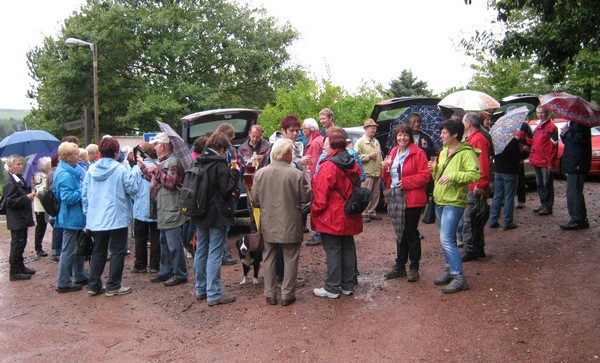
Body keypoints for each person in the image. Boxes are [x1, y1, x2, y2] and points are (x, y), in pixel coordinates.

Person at [252, 138, 312, 306]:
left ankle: (270, 294)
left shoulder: (260, 173)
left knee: (269, 258)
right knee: (290, 258)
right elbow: (306, 197)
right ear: (286, 154)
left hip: (268, 223)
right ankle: (287, 294)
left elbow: (255, 200)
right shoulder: (296, 174)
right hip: (290, 222)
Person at [311, 127, 363, 299]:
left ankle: (332, 287)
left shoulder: (329, 165)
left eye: (326, 144)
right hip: (349, 211)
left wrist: (315, 212)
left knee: (333, 249)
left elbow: (320, 194)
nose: (324, 147)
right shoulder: (351, 161)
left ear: (332, 145)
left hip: (332, 214)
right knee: (347, 247)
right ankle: (347, 285)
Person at [429, 120, 480, 294]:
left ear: (455, 134)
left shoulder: (466, 153)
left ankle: (459, 277)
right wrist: (434, 171)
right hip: (440, 199)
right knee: (444, 239)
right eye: (441, 132)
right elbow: (440, 175)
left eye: (444, 132)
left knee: (447, 239)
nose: (441, 135)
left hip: (454, 200)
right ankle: (450, 271)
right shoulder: (444, 151)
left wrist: (453, 176)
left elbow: (474, 175)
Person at [191, 132, 241, 306]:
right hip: (216, 214)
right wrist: (235, 173)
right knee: (214, 253)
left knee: (201, 250)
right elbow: (226, 190)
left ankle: (200, 288)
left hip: (199, 212)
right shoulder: (219, 164)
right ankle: (214, 293)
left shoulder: (198, 161)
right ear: (222, 148)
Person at [83, 137, 137, 296]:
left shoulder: (90, 170)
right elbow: (132, 188)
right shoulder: (120, 169)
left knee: (98, 250)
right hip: (116, 217)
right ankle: (113, 285)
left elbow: (84, 194)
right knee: (118, 251)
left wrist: (88, 214)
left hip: (96, 218)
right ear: (115, 152)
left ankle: (93, 285)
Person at [138, 132, 189, 287]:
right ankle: (166, 271)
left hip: (171, 207)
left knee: (174, 244)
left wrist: (155, 170)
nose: (154, 147)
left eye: (156, 144)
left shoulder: (173, 162)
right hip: (163, 207)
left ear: (162, 146)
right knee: (164, 242)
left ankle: (180, 273)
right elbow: (157, 179)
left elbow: (171, 182)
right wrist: (144, 169)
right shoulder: (163, 161)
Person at [382, 123, 430, 282]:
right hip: (395, 196)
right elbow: (388, 176)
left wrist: (407, 182)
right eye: (399, 135)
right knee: (399, 232)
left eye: (405, 135)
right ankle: (400, 265)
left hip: (412, 199)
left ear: (410, 137)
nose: (402, 138)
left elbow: (425, 176)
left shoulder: (419, 153)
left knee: (410, 232)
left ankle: (414, 266)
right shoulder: (394, 152)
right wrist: (385, 168)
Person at [54, 142, 89, 293]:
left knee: (77, 247)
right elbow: (67, 198)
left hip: (73, 216)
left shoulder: (68, 170)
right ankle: (63, 282)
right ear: (67, 157)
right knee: (69, 250)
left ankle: (79, 274)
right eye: (75, 154)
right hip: (70, 216)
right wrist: (83, 189)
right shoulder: (65, 175)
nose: (78, 156)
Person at [460, 113, 491, 262]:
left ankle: (470, 249)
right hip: (473, 185)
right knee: (476, 218)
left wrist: (480, 184)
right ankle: (478, 248)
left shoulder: (478, 140)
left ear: (468, 124)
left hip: (475, 186)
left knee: (470, 219)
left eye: (463, 122)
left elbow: (483, 164)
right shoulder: (473, 139)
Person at [3, 155, 37, 281]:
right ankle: (14, 271)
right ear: (10, 166)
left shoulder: (19, 179)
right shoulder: (10, 183)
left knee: (22, 242)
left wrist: (30, 187)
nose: (21, 166)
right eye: (18, 164)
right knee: (17, 243)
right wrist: (26, 198)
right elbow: (9, 202)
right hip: (16, 219)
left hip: (21, 218)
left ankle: (20, 266)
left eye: (21, 164)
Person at [130, 142, 161, 273]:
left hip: (141, 207)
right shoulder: (158, 165)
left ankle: (140, 264)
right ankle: (155, 265)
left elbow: (132, 187)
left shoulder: (137, 168)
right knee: (155, 236)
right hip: (156, 206)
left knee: (140, 237)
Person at [559, 121, 591, 230]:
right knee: (575, 192)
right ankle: (581, 219)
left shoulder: (580, 123)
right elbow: (569, 141)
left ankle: (576, 219)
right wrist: (563, 134)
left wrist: (567, 132)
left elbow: (579, 140)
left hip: (577, 162)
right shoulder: (574, 122)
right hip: (573, 161)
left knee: (573, 193)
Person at [488, 136, 526, 230]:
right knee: (509, 196)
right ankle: (507, 221)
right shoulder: (513, 141)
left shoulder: (496, 140)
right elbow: (517, 157)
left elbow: (492, 154)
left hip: (498, 170)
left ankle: (493, 220)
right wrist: (526, 152)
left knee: (497, 195)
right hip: (510, 171)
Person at [530, 106, 558, 215]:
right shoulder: (538, 127)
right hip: (537, 160)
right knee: (539, 184)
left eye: (542, 113)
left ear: (547, 113)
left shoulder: (552, 127)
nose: (540, 115)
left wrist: (551, 163)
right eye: (538, 113)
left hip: (546, 162)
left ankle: (548, 206)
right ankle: (543, 203)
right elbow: (535, 142)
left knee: (547, 185)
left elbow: (554, 146)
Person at [355, 118, 383, 223]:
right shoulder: (360, 142)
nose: (374, 130)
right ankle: (364, 213)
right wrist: (368, 156)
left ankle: (372, 212)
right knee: (365, 194)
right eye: (372, 128)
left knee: (376, 194)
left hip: (377, 172)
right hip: (366, 173)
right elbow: (355, 157)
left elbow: (380, 156)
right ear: (366, 129)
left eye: (375, 128)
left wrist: (382, 165)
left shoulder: (376, 142)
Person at [32, 156, 51, 257]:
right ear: (44, 167)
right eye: (49, 165)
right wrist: (46, 189)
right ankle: (38, 247)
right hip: (41, 206)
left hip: (49, 205)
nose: (51, 166)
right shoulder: (37, 176)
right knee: (41, 226)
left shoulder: (50, 175)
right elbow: (37, 190)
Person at [515, 123, 533, 209]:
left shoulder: (524, 126)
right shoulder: (506, 127)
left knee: (520, 181)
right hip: (510, 159)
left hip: (520, 158)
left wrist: (520, 139)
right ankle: (505, 200)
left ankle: (521, 201)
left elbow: (531, 140)